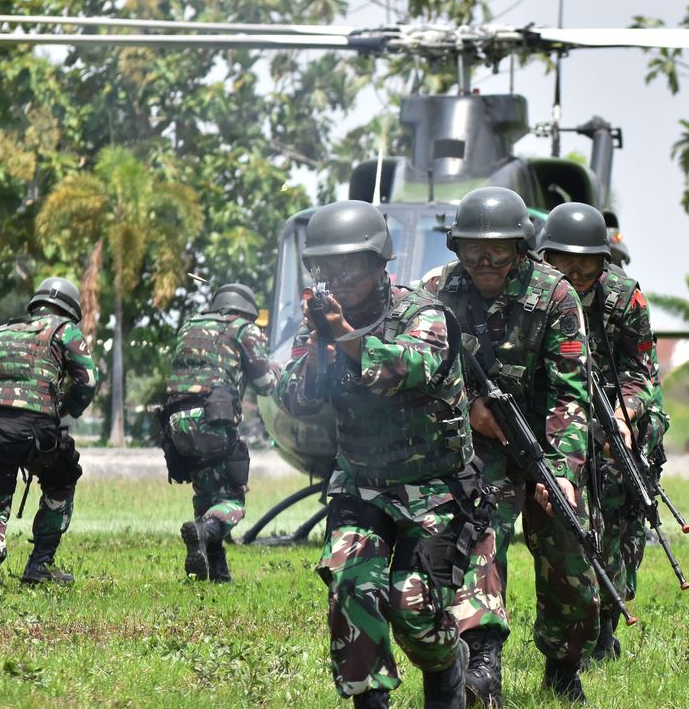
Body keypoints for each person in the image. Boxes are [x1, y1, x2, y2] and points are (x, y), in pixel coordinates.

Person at [276, 200, 485, 709]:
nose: (337, 276)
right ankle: (369, 701)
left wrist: (344, 336)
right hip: (362, 482)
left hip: (435, 488)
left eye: (349, 264)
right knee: (351, 586)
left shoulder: (424, 313)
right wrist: (321, 347)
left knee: (412, 603)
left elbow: (404, 369)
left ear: (379, 263)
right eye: (326, 266)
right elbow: (293, 397)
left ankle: (446, 668)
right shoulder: (322, 324)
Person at [430, 187, 598, 704]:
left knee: (568, 554)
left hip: (547, 441)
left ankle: (564, 664)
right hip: (481, 445)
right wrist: (468, 406)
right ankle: (483, 665)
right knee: (479, 535)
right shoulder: (436, 290)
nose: (484, 261)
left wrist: (563, 470)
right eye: (471, 249)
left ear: (521, 247)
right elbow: (423, 373)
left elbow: (571, 393)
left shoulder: (556, 296)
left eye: (498, 250)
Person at [537, 202, 668, 664]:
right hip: (556, 420)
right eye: (562, 263)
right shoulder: (536, 295)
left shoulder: (623, 299)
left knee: (620, 520)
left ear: (602, 261)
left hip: (617, 426)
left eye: (585, 264)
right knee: (573, 528)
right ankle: (573, 625)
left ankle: (608, 618)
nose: (573, 274)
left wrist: (624, 412)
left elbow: (642, 372)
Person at [0, 276, 98, 592]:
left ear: (35, 305)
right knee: (61, 482)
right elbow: (88, 380)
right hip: (38, 432)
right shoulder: (64, 330)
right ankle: (40, 565)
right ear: (68, 310)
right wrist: (66, 410)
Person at [162, 282, 279, 583]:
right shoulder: (243, 329)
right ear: (246, 310)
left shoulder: (190, 326)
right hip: (213, 421)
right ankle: (204, 531)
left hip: (175, 423)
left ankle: (216, 570)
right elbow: (265, 383)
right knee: (232, 501)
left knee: (206, 491)